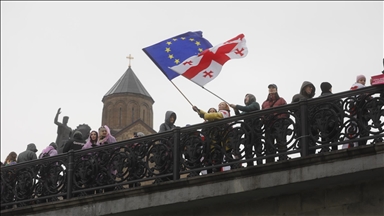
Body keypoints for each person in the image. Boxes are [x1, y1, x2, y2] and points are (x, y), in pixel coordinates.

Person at [193, 102, 232, 172]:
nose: (220, 105)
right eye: (219, 105)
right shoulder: (217, 115)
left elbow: (209, 116)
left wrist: (203, 114)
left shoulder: (224, 113)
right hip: (214, 142)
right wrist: (198, 110)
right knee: (212, 157)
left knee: (225, 155)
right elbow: (208, 116)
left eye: (222, 104)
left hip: (223, 140)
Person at [229, 93, 261, 167]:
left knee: (257, 147)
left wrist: (236, 106)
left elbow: (247, 109)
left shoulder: (255, 104)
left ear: (251, 98)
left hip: (255, 129)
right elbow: (240, 116)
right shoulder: (246, 109)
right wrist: (236, 110)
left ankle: (259, 163)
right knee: (248, 147)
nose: (245, 98)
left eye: (247, 97)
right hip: (247, 131)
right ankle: (250, 164)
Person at [261, 84, 288, 163]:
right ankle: (270, 160)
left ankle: (282, 158)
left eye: (273, 88)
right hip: (268, 125)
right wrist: (264, 119)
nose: (271, 89)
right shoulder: (265, 103)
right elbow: (262, 114)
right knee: (269, 143)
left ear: (276, 89)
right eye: (270, 88)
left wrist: (278, 117)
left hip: (279, 124)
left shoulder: (281, 100)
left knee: (281, 141)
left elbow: (285, 112)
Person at [291, 81, 317, 155]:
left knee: (312, 147)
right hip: (301, 126)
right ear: (304, 88)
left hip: (312, 128)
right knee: (303, 147)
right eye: (309, 87)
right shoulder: (297, 98)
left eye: (311, 88)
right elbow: (292, 109)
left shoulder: (312, 101)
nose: (310, 89)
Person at [318, 82, 342, 152]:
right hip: (333, 121)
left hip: (322, 123)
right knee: (334, 139)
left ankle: (324, 149)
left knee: (324, 137)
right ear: (329, 88)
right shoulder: (334, 97)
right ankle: (334, 150)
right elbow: (339, 110)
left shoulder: (317, 100)